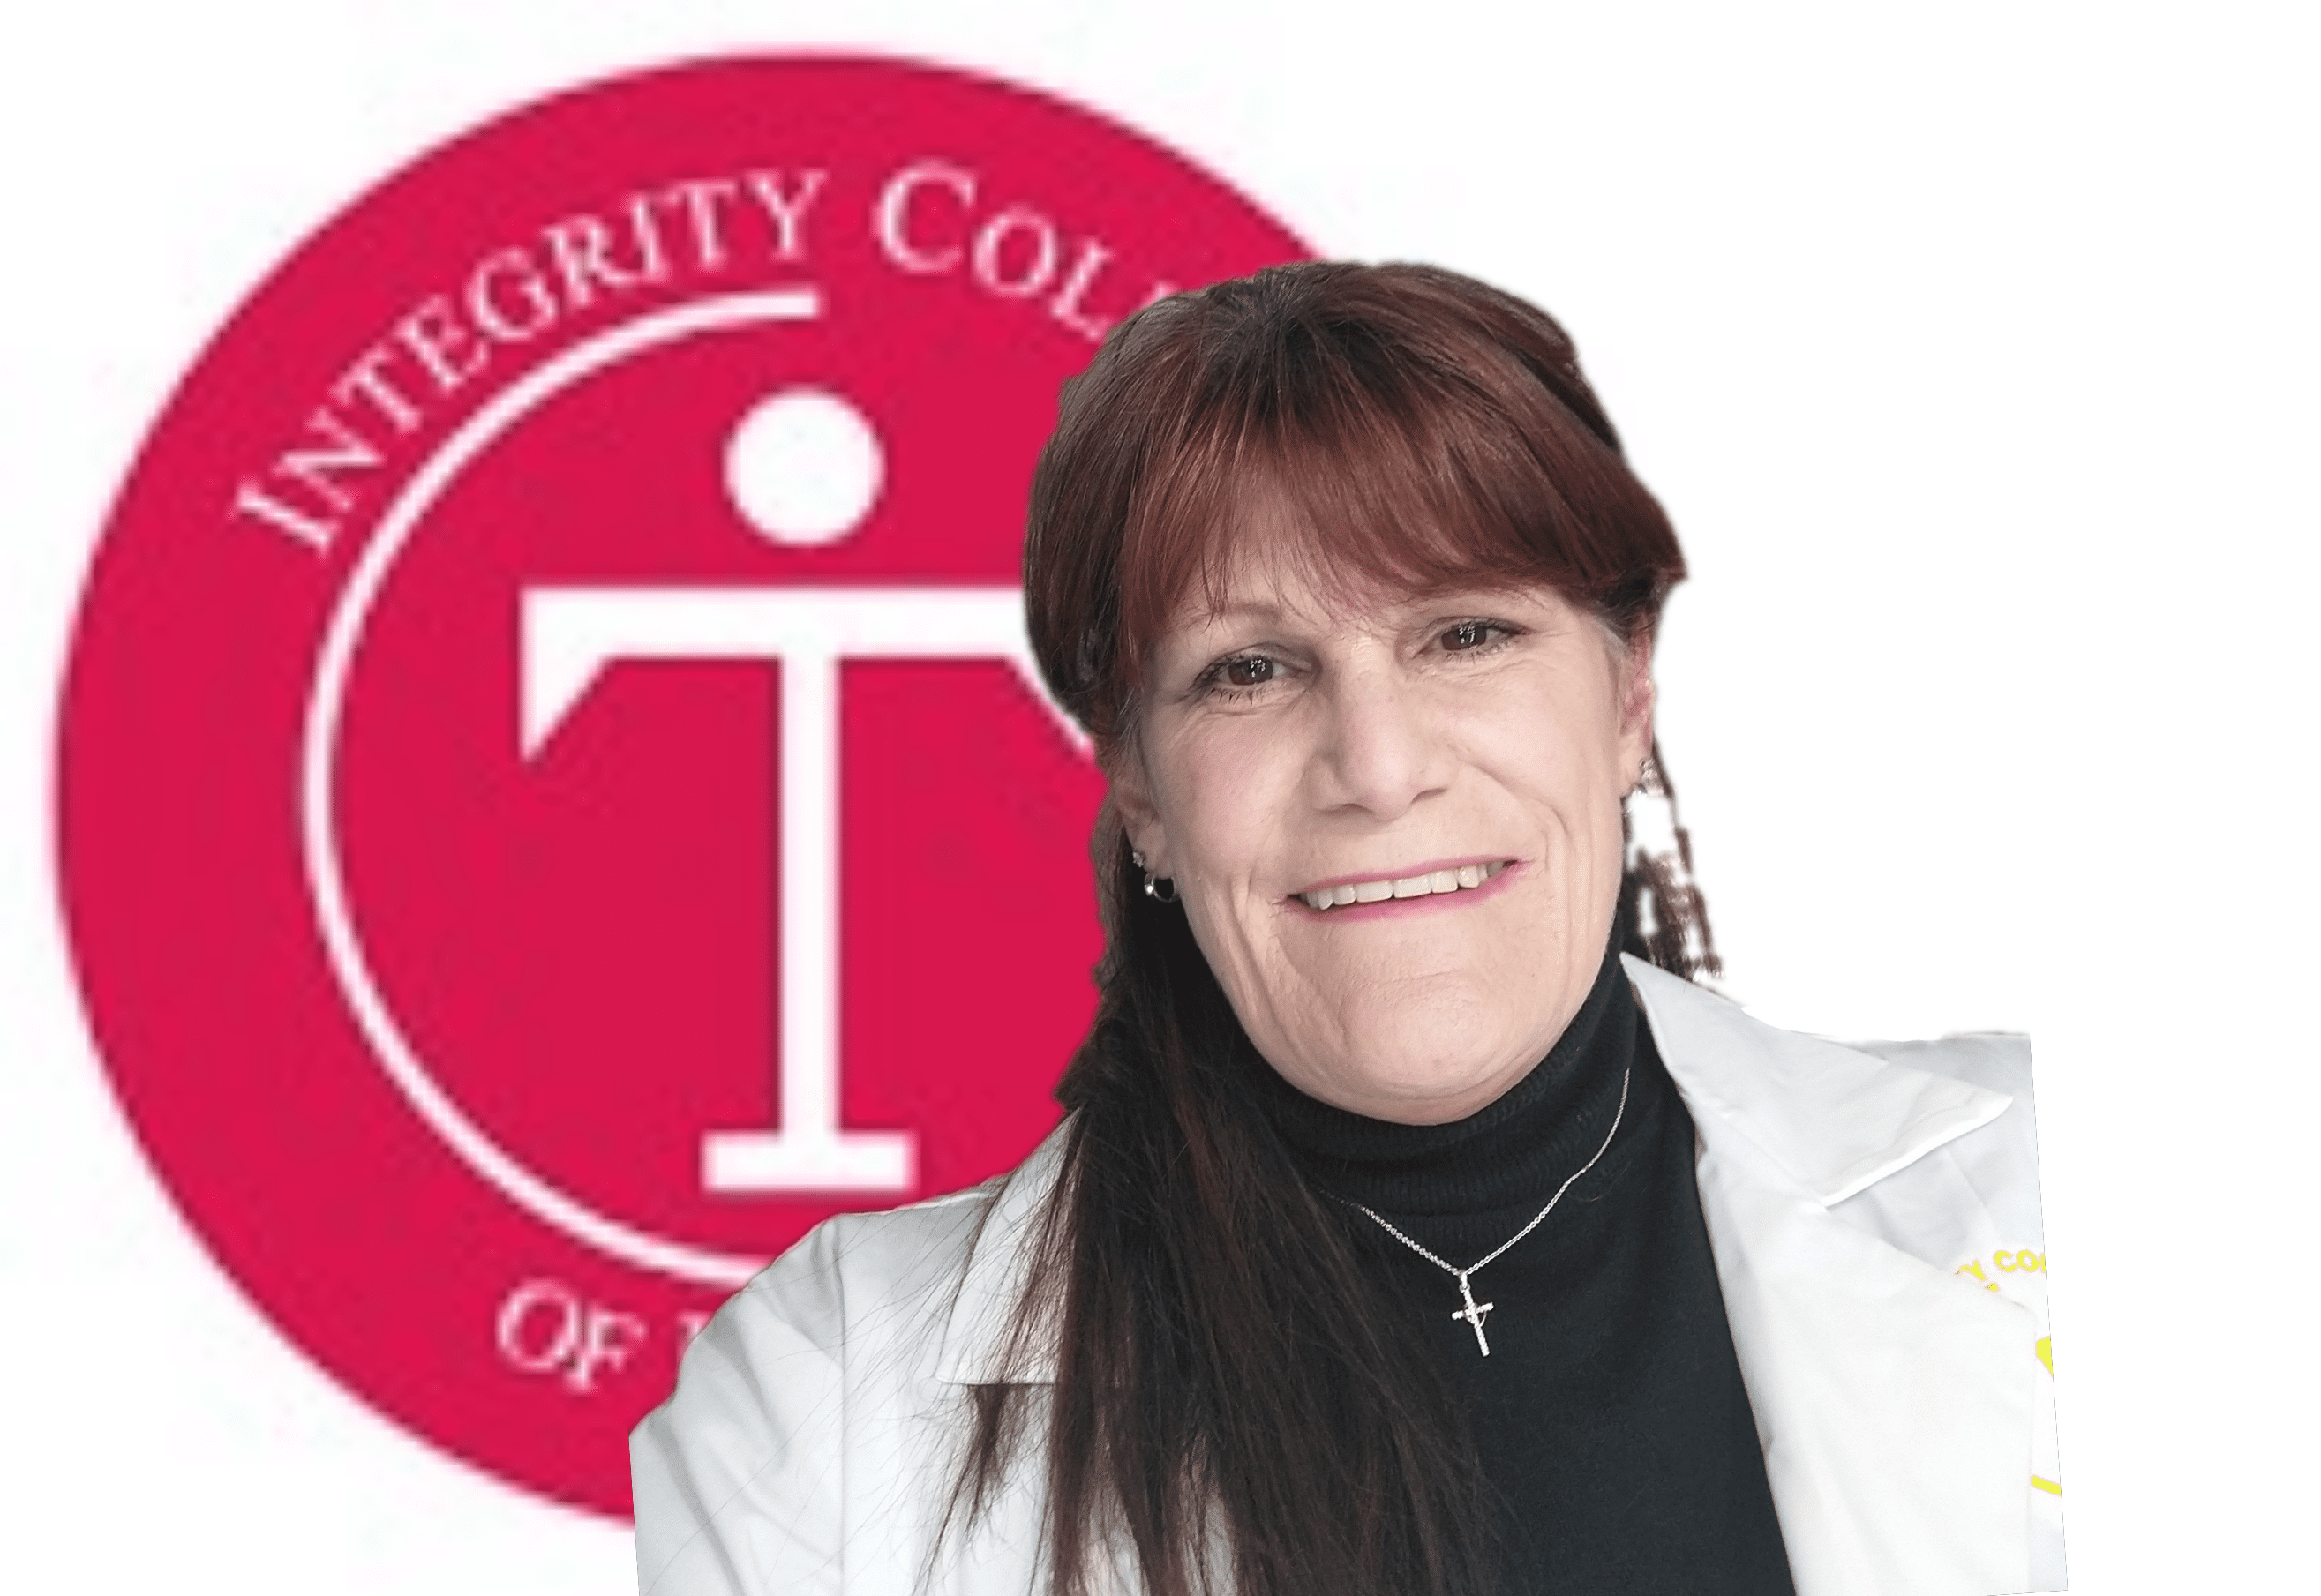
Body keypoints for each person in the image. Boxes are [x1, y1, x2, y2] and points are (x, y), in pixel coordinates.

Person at [631, 262, 2061, 1596]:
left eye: (1465, 634)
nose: (1377, 769)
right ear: (1140, 786)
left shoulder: (2054, 1186)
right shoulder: (818, 1406)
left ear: (1628, 699)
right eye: (1249, 669)